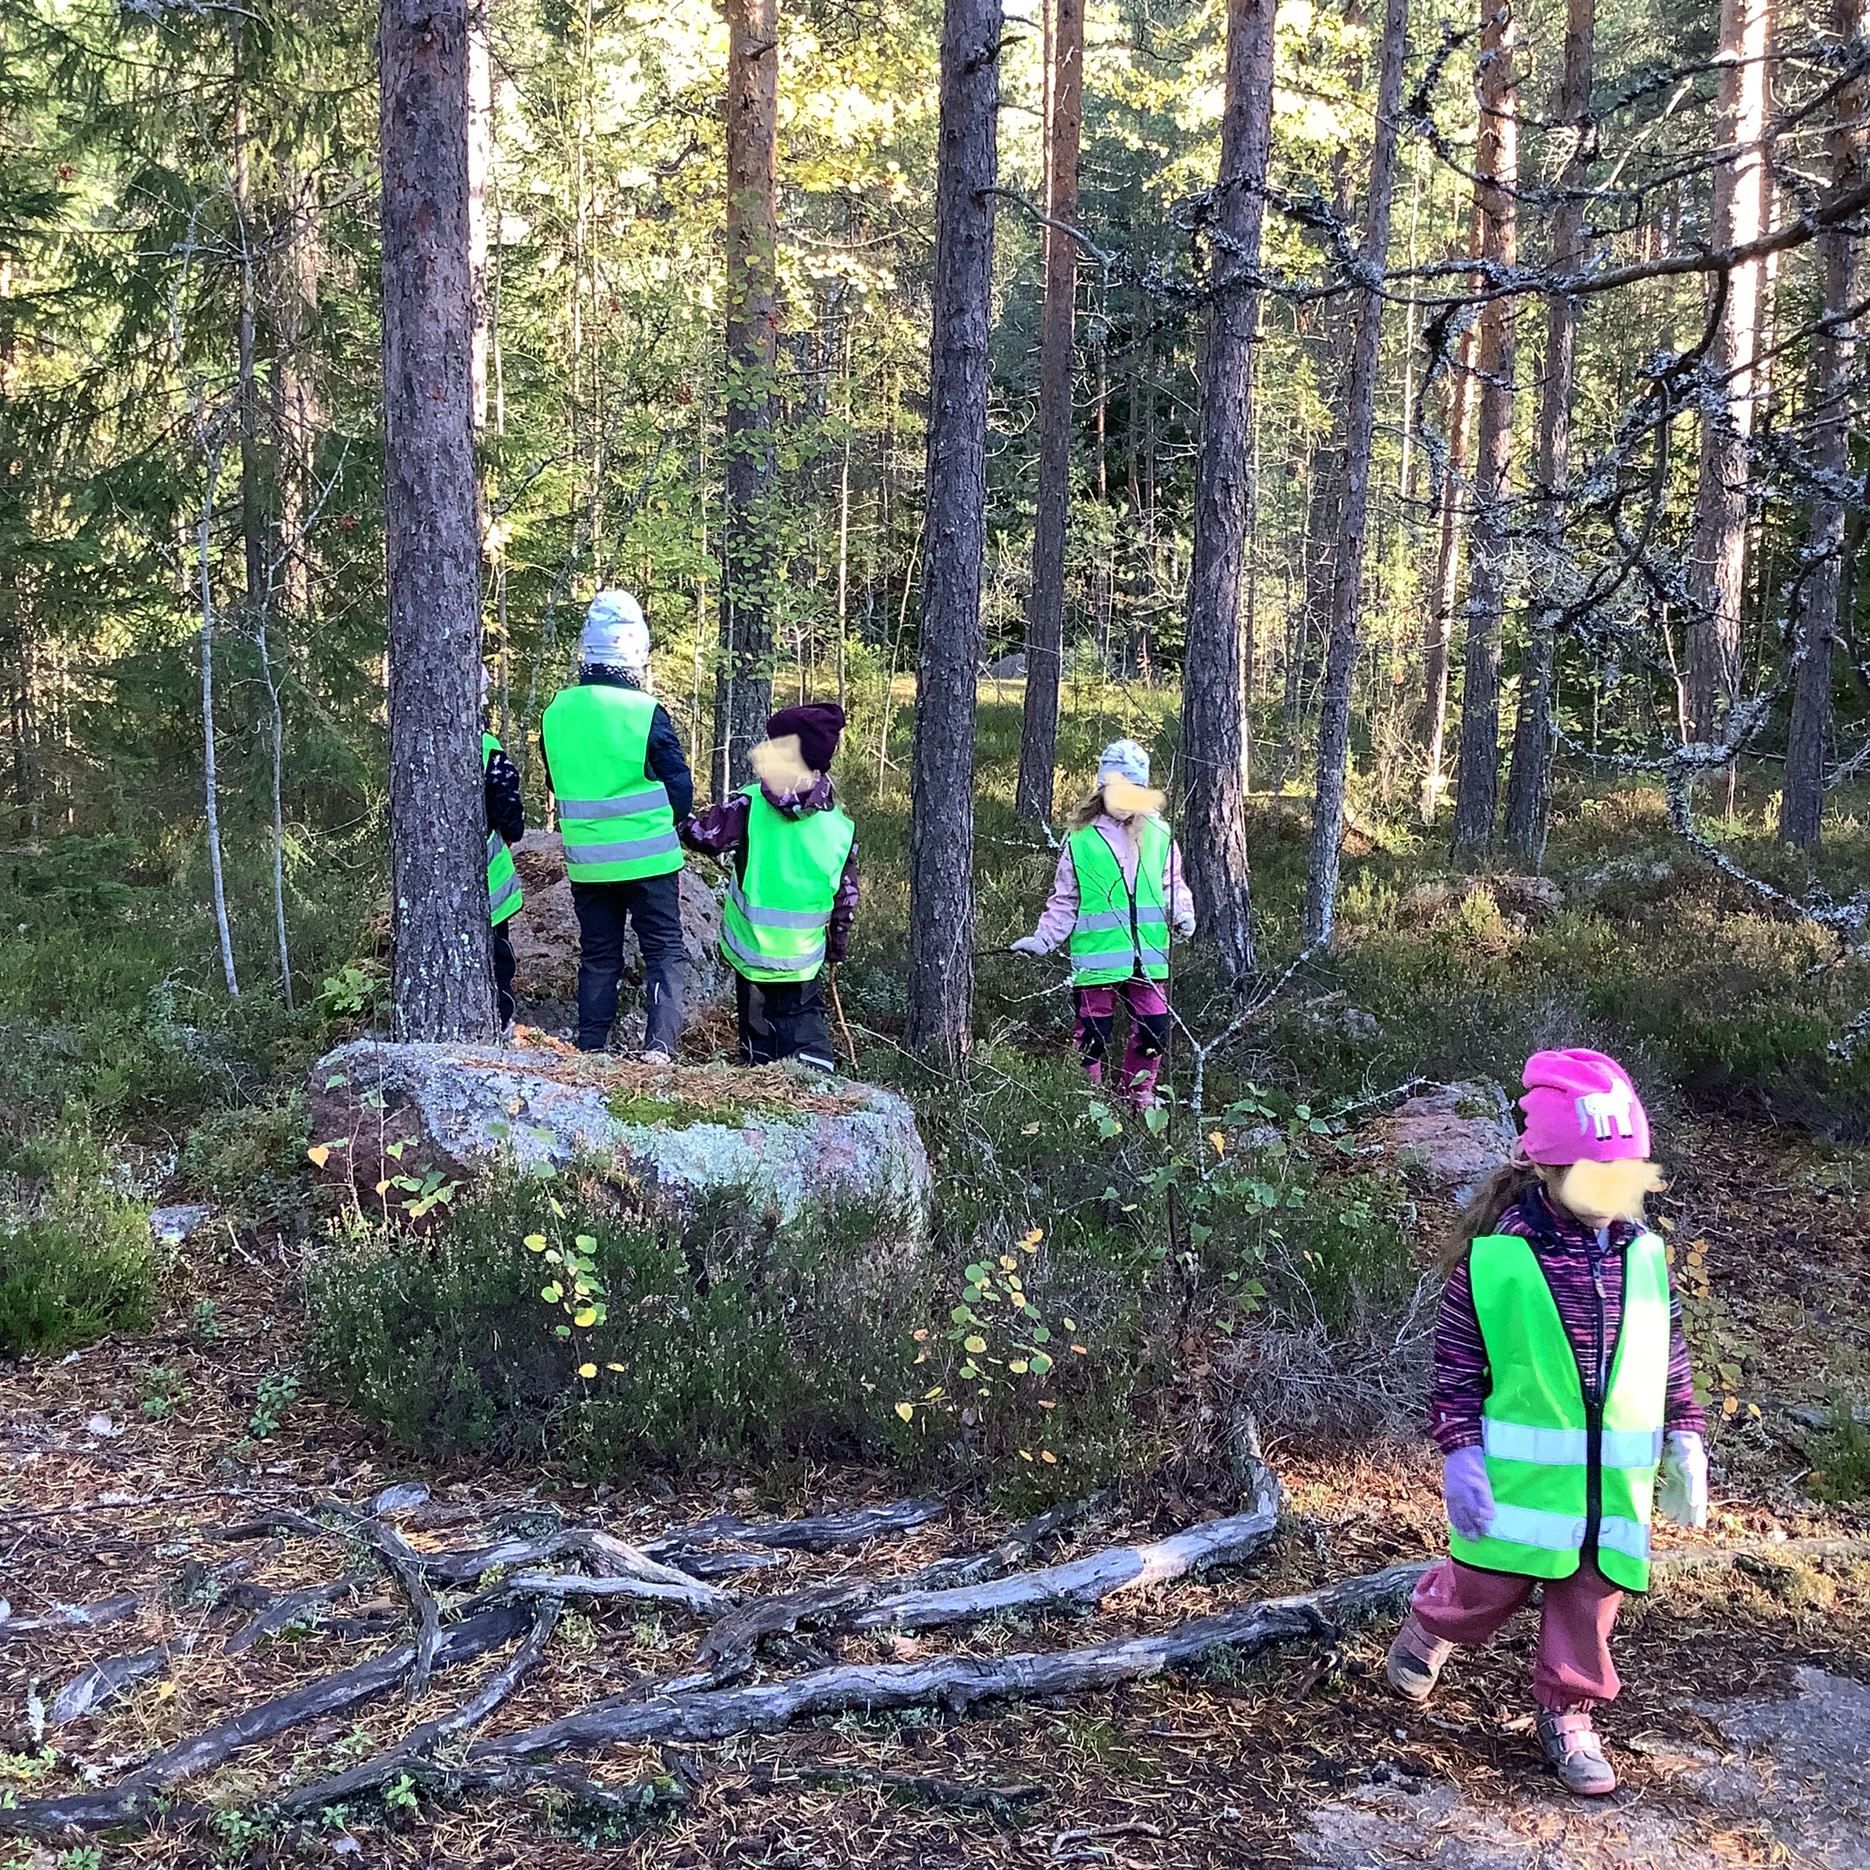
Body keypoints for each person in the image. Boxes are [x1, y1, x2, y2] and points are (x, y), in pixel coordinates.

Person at [1386, 1049, 1709, 1798]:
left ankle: (1569, 1712)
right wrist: (1460, 1455)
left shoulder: (1646, 1258)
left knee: (1589, 1604)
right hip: (1519, 1483)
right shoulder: (1497, 1262)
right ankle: (1433, 1622)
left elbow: (1668, 1354)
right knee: (1485, 1587)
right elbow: (1456, 1370)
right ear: (1546, 1167)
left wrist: (1686, 1434)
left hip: (1613, 1489)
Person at [539, 591, 693, 1061]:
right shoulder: (644, 712)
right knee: (664, 953)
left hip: (588, 863)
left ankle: (590, 1049)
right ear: (637, 651)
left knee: (599, 956)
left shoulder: (556, 712)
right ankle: (659, 1050)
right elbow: (680, 790)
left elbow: (555, 780)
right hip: (650, 860)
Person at [1008, 738, 1194, 1109]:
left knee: (1155, 1032)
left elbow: (1171, 883)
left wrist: (1183, 912)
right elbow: (1066, 900)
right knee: (1093, 1036)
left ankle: (1138, 1097)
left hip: (1149, 959)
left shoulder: (1159, 834)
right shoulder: (1081, 839)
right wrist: (1043, 940)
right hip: (1096, 961)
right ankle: (1088, 1106)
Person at [682, 702, 856, 1074]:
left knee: (757, 1041)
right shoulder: (840, 826)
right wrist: (836, 948)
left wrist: (676, 815)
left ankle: (758, 1079)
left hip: (752, 954)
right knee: (802, 1029)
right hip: (802, 960)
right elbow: (845, 899)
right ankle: (815, 1083)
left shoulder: (750, 805)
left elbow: (704, 836)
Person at [482, 667, 525, 1034]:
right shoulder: (487, 749)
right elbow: (507, 805)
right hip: (490, 886)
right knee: (498, 959)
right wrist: (513, 830)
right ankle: (501, 1020)